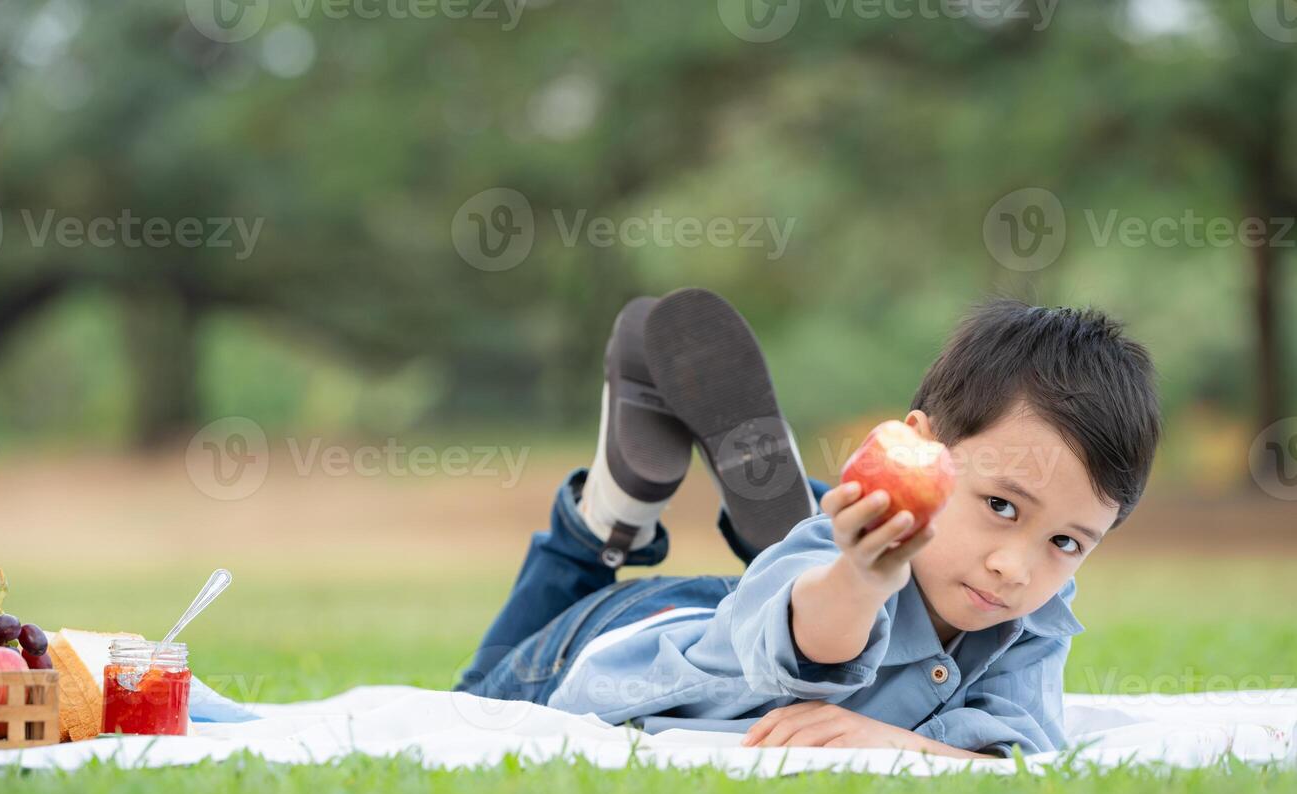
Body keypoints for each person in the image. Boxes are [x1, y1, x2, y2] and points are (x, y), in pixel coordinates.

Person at [454, 289, 1162, 758]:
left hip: (740, 606)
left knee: (820, 558)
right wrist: (858, 579)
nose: (1017, 566)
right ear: (918, 447)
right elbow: (818, 645)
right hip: (617, 639)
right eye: (1000, 506)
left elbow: (1017, 751)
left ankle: (794, 520)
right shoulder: (859, 566)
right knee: (472, 698)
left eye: (1066, 542)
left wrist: (890, 743)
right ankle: (603, 519)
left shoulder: (1035, 606)